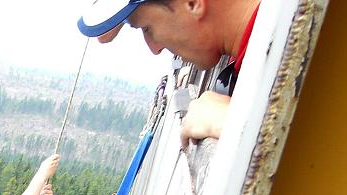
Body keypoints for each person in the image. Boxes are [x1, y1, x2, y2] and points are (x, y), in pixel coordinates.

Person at [77, 0, 261, 147]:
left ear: (193, 3)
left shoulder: (284, 45)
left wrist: (234, 122)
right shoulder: (260, 43)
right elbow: (104, 37)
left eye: (147, 28)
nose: (154, 49)